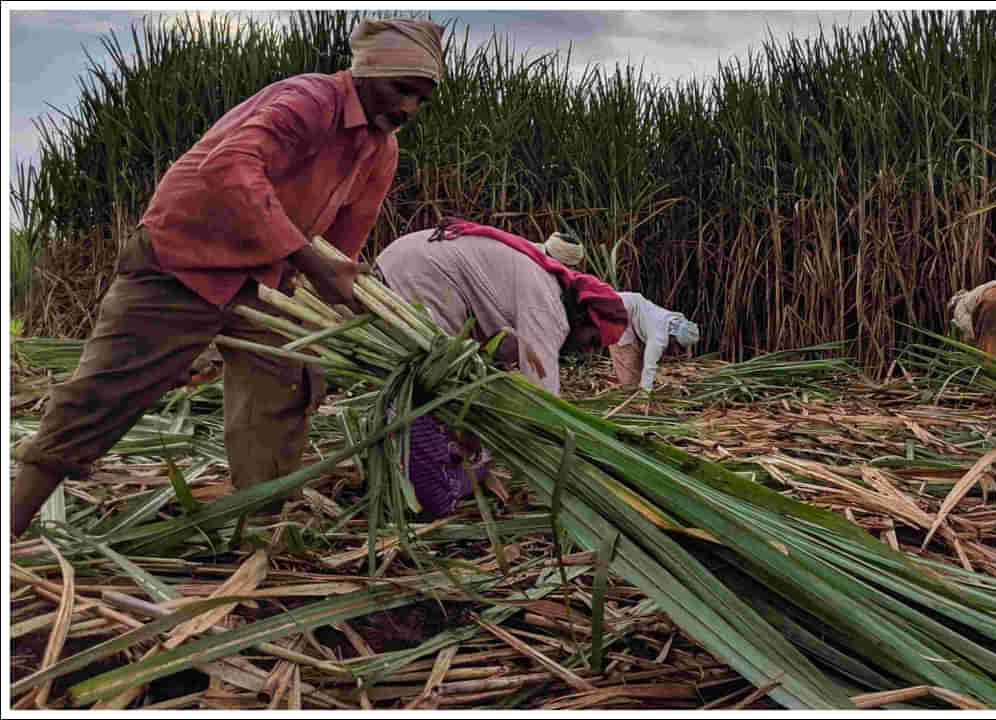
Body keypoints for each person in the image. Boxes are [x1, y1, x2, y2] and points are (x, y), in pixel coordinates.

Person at [9, 19, 447, 538]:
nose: (408, 110)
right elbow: (229, 165)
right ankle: (12, 524)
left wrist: (353, 305)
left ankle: (261, 531)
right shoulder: (308, 102)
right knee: (102, 394)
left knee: (286, 384)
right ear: (369, 70)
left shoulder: (380, 149)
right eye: (402, 90)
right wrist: (310, 263)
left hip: (265, 280)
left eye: (421, 99)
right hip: (182, 262)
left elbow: (342, 245)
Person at [375, 220, 626, 517]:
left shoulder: (541, 279)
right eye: (592, 340)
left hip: (407, 259)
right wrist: (568, 465)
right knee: (423, 385)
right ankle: (423, 491)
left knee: (436, 385)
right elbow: (544, 403)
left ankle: (412, 472)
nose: (587, 350)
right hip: (422, 272)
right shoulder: (548, 306)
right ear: (584, 317)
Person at [609, 292, 700, 394]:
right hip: (615, 311)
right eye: (677, 344)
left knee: (637, 358)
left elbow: (688, 331)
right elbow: (649, 367)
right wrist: (645, 393)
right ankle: (629, 395)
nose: (675, 346)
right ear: (674, 338)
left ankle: (633, 387)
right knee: (627, 361)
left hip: (628, 302)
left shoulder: (676, 319)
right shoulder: (658, 338)